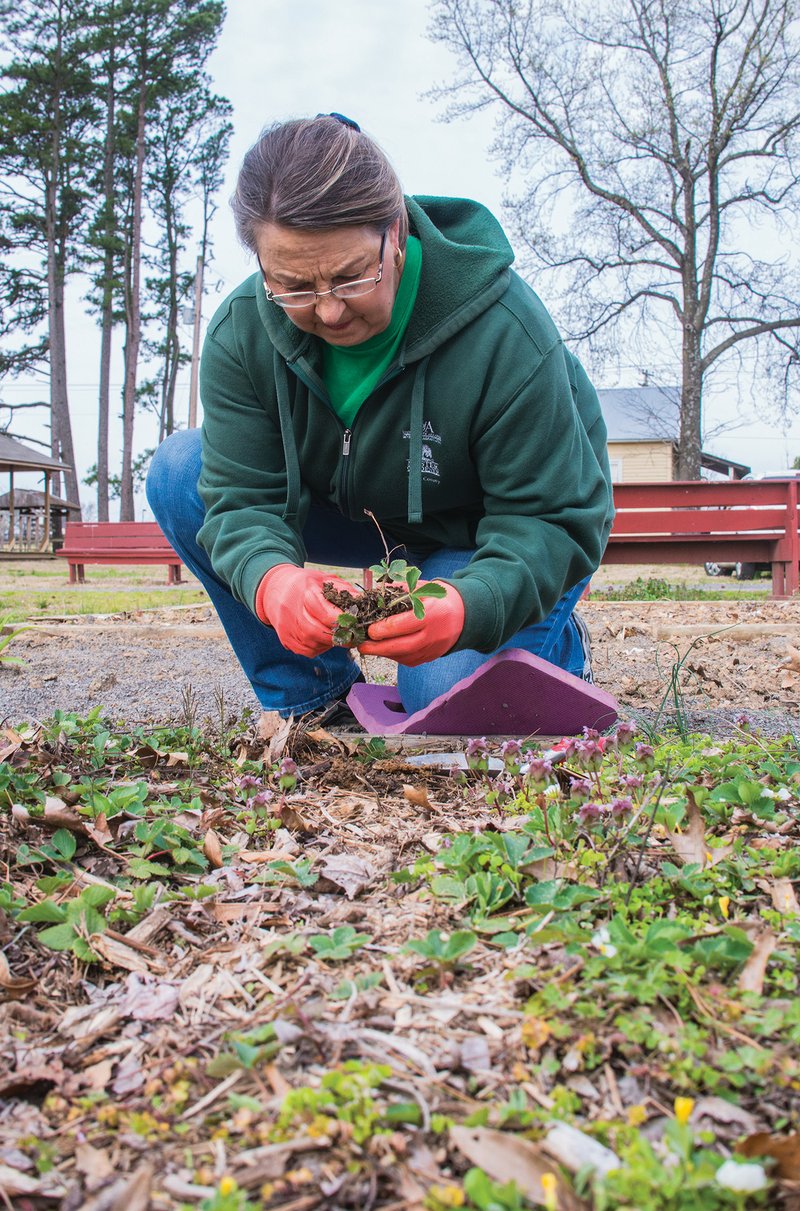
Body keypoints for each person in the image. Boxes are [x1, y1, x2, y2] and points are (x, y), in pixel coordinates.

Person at [146, 114, 614, 724]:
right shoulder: (241, 333)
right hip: (360, 515)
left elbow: (551, 517)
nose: (329, 311)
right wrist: (273, 583)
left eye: (350, 276)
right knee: (182, 470)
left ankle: (551, 642)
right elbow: (241, 501)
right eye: (292, 285)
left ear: (395, 232)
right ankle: (313, 699)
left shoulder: (506, 329)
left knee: (444, 696)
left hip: (479, 530)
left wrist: (469, 606)